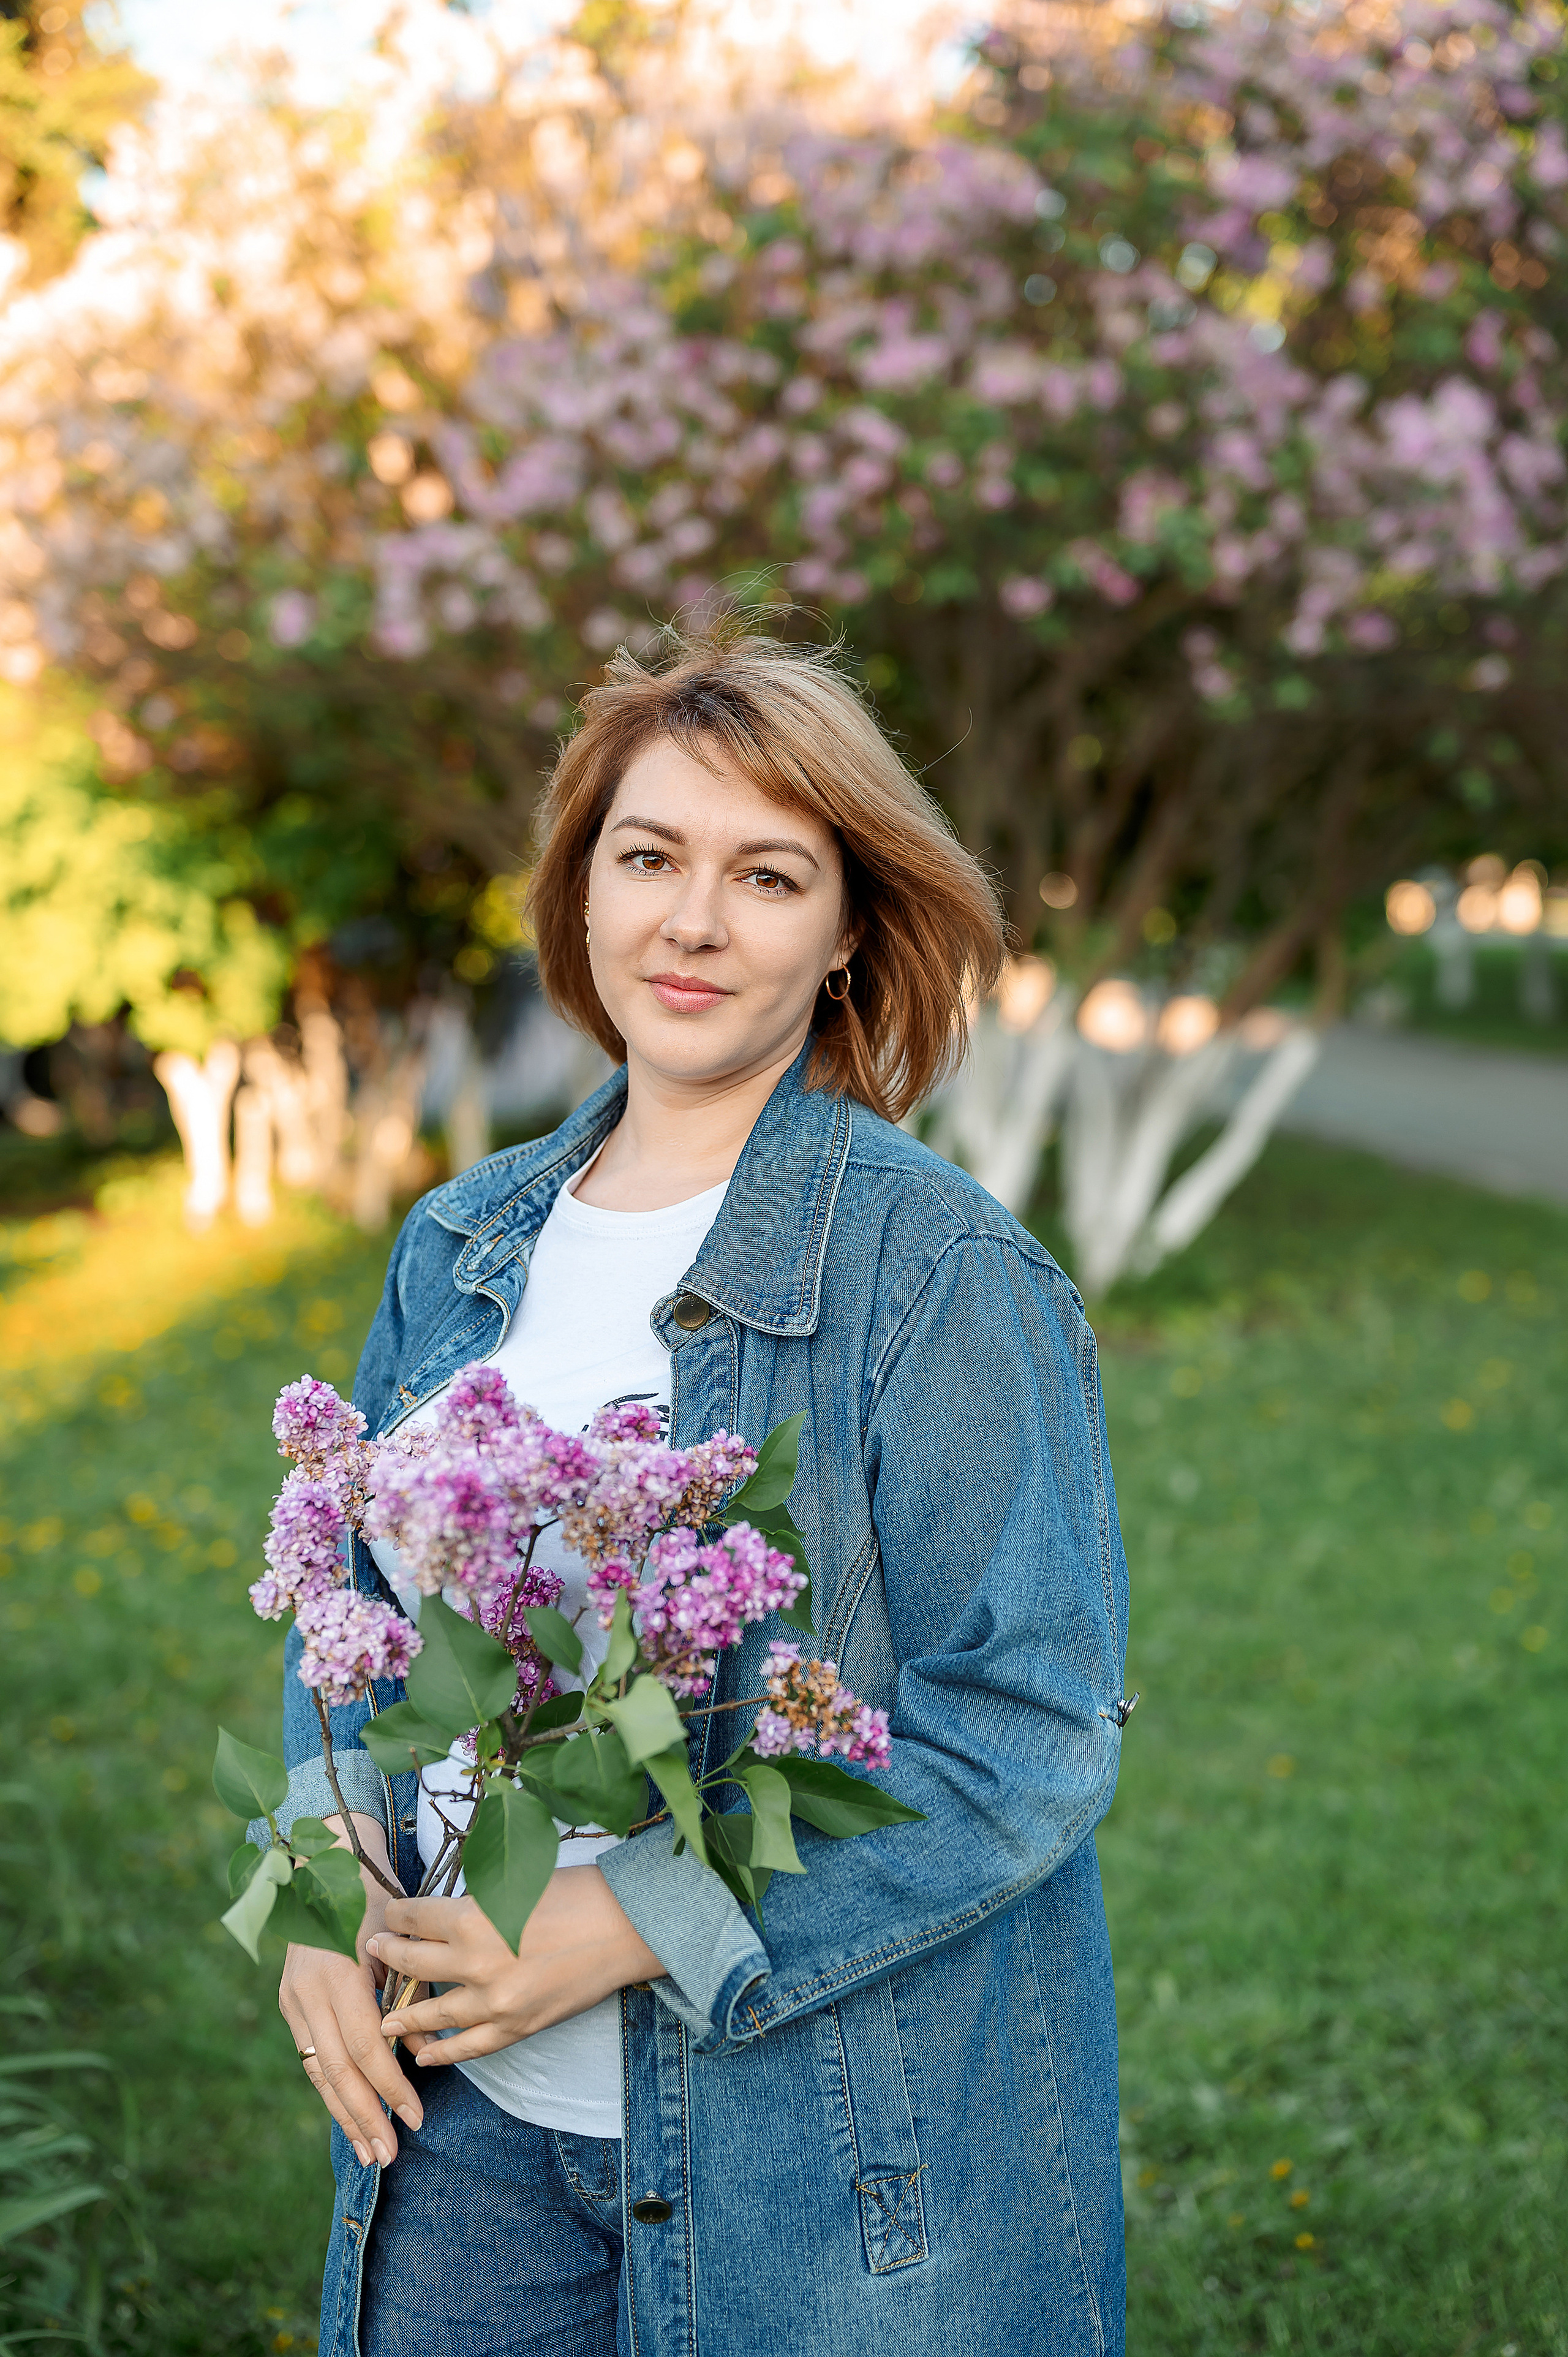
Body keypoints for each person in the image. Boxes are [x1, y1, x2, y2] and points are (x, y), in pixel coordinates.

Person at [271, 624, 1131, 2357]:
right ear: (582, 888)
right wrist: (310, 1883)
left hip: (814, 2158)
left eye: (767, 876)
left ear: (845, 932)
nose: (693, 921)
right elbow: (343, 1612)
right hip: (464, 2128)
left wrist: (631, 1919)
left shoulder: (937, 1272)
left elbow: (1028, 1729)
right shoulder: (461, 1241)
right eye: (650, 856)